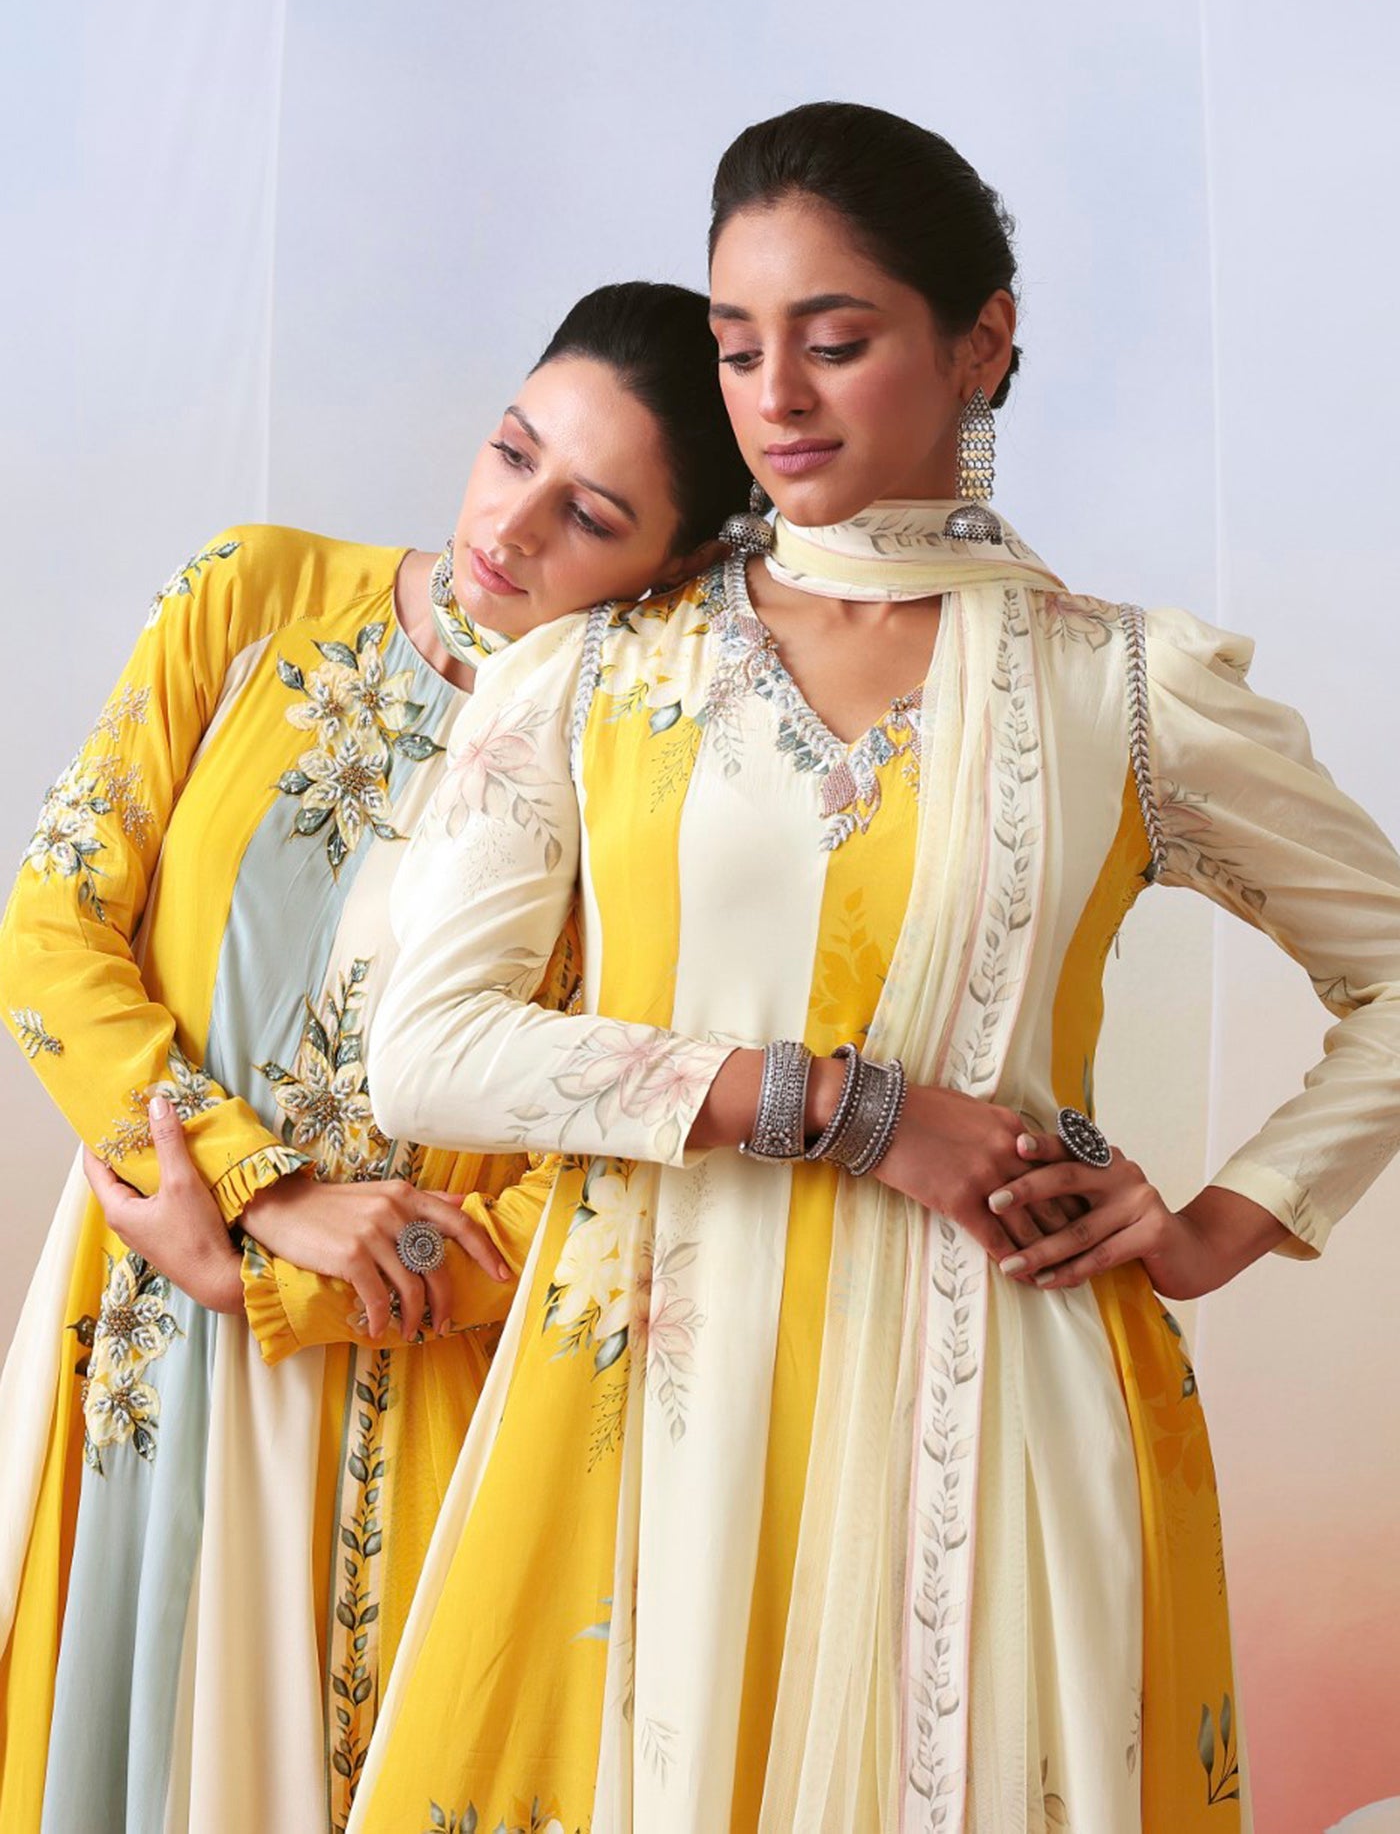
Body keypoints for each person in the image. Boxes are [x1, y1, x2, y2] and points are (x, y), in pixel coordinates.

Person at [335, 104, 1400, 1834]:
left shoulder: (1121, 691)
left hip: (1009, 1415)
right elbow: (429, 1051)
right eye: (738, 345)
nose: (776, 397)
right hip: (654, 1420)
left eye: (834, 342)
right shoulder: (594, 678)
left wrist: (1231, 1220)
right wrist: (843, 1107)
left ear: (980, 342)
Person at [0, 281, 753, 1834]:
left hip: (408, 1391)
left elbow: (613, 1175)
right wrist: (257, 1201)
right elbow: (52, 925)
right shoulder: (256, 596)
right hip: (142, 1304)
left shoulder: (658, 781)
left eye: (590, 515)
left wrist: (305, 1283)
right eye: (512, 450)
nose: (511, 525)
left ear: (680, 564)